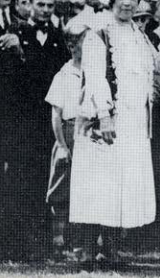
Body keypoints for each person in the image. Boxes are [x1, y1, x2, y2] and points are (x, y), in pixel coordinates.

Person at [70, 0, 160, 266]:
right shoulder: (99, 33)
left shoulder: (140, 35)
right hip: (104, 120)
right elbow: (95, 76)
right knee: (96, 183)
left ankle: (109, 250)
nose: (126, 2)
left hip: (133, 124)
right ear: (111, 1)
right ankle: (86, 250)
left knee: (120, 184)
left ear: (138, 2)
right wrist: (105, 115)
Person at [17, 0, 71, 239]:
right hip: (23, 117)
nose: (46, 9)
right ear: (30, 6)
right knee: (26, 174)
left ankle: (53, 236)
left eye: (50, 5)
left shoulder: (59, 37)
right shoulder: (17, 34)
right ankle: (27, 235)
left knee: (51, 174)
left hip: (50, 117)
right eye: (41, 4)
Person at [45, 23, 88, 260]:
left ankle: (80, 243)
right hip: (68, 134)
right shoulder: (63, 75)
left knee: (84, 189)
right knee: (61, 190)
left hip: (88, 134)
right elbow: (56, 114)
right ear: (71, 46)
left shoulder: (95, 72)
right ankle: (57, 241)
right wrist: (61, 145)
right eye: (83, 42)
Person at [0, 0, 28, 259]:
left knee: (14, 179)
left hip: (14, 115)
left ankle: (10, 244)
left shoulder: (19, 22)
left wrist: (20, 49)